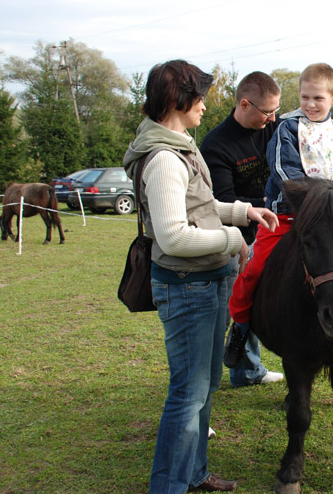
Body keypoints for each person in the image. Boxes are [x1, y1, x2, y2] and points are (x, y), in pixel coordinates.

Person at [122, 60, 278, 494]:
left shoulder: (180, 144)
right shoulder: (164, 159)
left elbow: (200, 206)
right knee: (187, 396)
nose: (207, 107)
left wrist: (244, 211)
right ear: (179, 100)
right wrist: (233, 238)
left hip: (204, 282)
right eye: (201, 97)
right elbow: (173, 237)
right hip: (188, 286)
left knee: (203, 387)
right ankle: (169, 486)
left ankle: (193, 474)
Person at [224, 62, 333, 366]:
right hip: (289, 213)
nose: (310, 104)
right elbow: (284, 170)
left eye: (318, 98)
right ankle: (239, 327)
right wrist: (317, 199)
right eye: (305, 97)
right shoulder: (288, 128)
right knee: (253, 267)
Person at [199, 71, 284, 388]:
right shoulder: (216, 145)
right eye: (267, 111)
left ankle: (247, 371)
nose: (273, 117)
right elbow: (221, 200)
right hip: (235, 240)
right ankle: (204, 379)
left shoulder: (275, 127)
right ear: (245, 104)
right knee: (229, 306)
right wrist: (264, 202)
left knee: (255, 302)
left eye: (276, 110)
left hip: (271, 233)